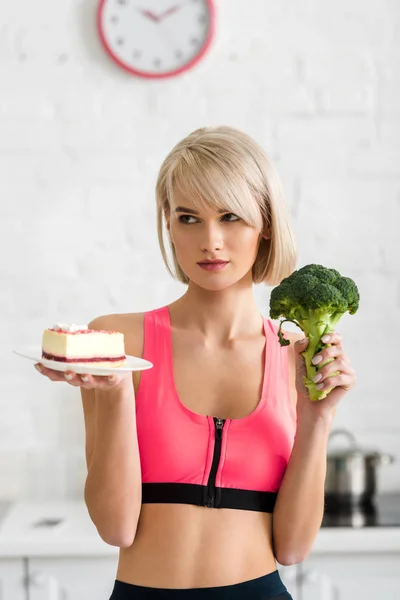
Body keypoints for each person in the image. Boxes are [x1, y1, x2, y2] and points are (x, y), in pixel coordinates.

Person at [35, 126, 356, 600]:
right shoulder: (119, 341)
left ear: (263, 222)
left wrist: (318, 417)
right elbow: (115, 526)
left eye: (230, 217)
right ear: (168, 224)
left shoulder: (299, 352)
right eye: (188, 218)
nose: (211, 241)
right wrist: (118, 389)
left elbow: (292, 547)